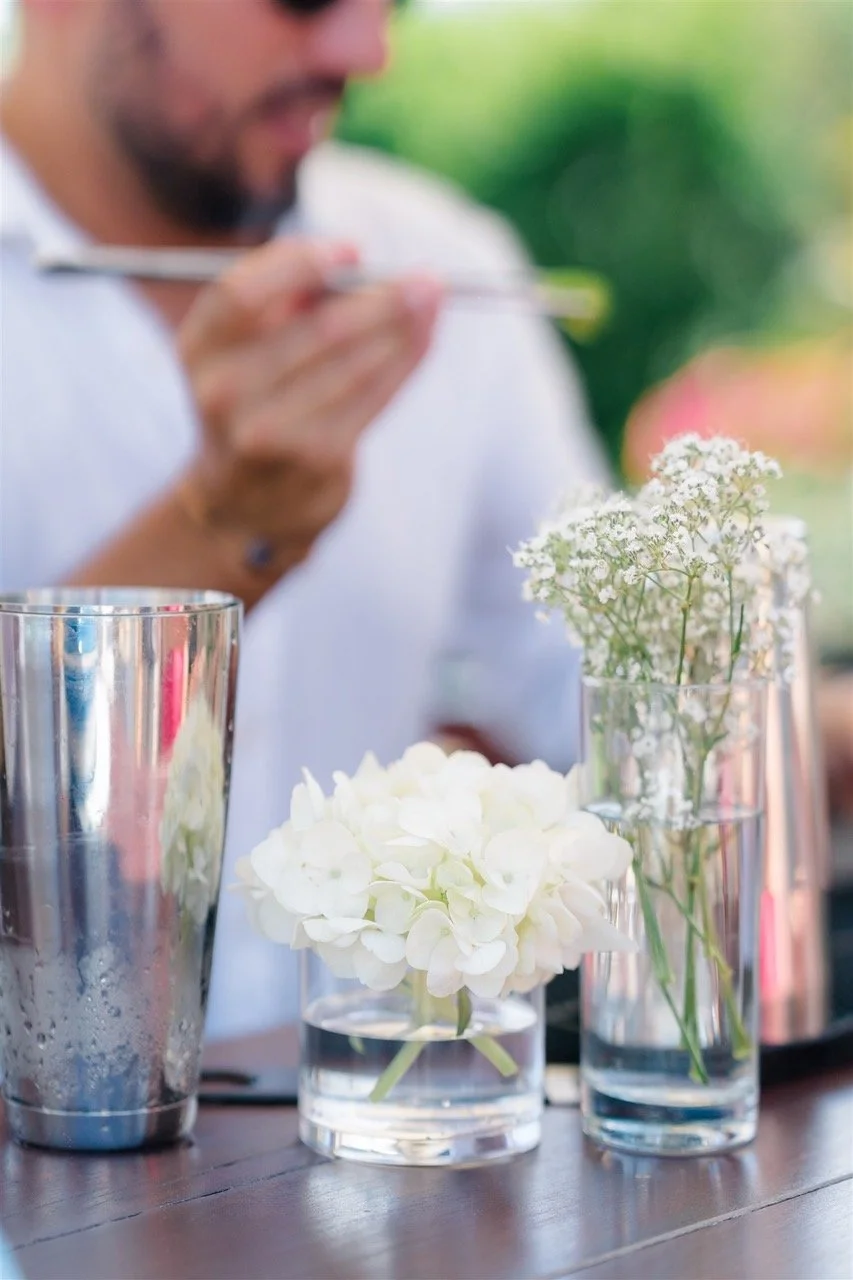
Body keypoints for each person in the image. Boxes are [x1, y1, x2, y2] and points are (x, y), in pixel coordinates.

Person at [0, 0, 609, 1037]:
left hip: (368, 1150)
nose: (365, 50)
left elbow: (600, 698)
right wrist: (229, 525)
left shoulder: (442, 258)